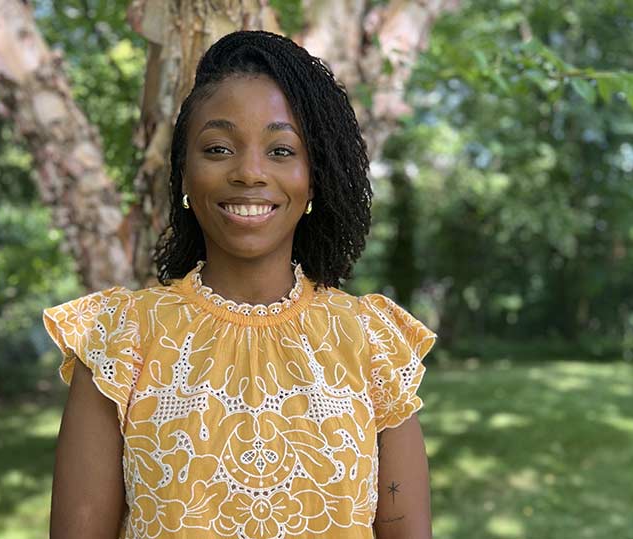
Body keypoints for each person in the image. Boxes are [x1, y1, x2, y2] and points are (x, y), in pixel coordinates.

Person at [43, 30, 436, 539]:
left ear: (313, 178)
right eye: (219, 148)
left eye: (280, 150)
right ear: (185, 175)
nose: (249, 172)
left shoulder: (373, 344)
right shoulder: (121, 341)